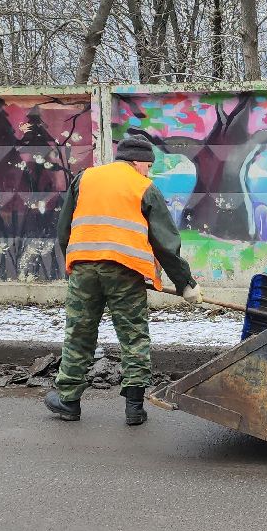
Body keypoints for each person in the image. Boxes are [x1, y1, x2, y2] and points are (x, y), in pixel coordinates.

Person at [46, 133, 198, 426]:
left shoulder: (85, 178)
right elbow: (165, 243)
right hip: (124, 271)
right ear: (139, 163)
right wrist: (185, 283)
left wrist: (75, 261)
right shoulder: (144, 187)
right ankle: (134, 407)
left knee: (79, 332)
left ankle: (68, 401)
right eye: (149, 166)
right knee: (133, 335)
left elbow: (64, 229)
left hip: (84, 269)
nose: (149, 172)